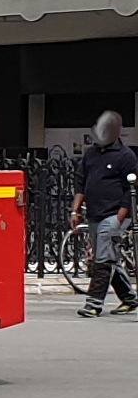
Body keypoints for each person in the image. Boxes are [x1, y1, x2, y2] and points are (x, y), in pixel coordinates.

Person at [72, 109, 138, 317]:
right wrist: (75, 211)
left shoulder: (126, 156)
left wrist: (119, 219)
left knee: (101, 257)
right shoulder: (90, 154)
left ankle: (93, 304)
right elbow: (81, 183)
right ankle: (129, 298)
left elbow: (131, 190)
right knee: (110, 258)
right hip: (94, 213)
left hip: (115, 215)